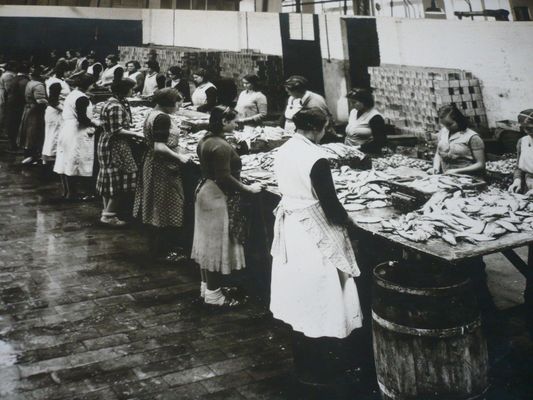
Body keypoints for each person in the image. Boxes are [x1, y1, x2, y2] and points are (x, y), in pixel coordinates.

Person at [270, 107, 362, 385]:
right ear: (316, 128)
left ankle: (305, 361)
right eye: (324, 129)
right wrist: (350, 221)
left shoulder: (284, 149)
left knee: (300, 291)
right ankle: (324, 366)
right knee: (323, 291)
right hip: (313, 233)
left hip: (293, 227)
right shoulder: (316, 157)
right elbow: (331, 205)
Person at [191, 106, 263, 306]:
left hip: (205, 190)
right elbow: (224, 177)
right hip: (216, 196)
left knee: (206, 243)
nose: (237, 124)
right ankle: (214, 296)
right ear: (224, 121)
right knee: (215, 245)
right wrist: (248, 188)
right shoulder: (220, 145)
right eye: (234, 121)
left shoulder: (206, 140)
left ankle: (207, 288)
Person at [134, 89, 192, 259]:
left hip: (153, 163)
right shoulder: (162, 118)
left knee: (157, 206)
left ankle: (159, 248)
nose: (179, 106)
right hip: (162, 166)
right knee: (167, 206)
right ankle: (165, 250)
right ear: (168, 102)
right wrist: (179, 157)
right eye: (177, 102)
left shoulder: (152, 114)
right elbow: (159, 146)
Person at [97, 74, 139, 226]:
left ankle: (108, 212)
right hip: (115, 144)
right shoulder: (116, 106)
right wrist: (137, 134)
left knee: (110, 178)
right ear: (124, 90)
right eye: (131, 89)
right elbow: (116, 130)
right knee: (119, 178)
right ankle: (109, 215)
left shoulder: (110, 102)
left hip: (108, 142)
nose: (133, 92)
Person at [54, 74, 99, 200]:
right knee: (74, 161)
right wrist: (96, 123)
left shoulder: (73, 94)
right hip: (76, 131)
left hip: (67, 128)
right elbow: (82, 119)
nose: (93, 87)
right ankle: (73, 193)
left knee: (65, 161)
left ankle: (67, 192)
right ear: (87, 85)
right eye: (92, 84)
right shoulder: (82, 98)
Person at [433, 104, 486, 176]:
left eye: (450, 124)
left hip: (468, 178)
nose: (447, 128)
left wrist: (457, 171)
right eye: (444, 125)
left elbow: (480, 164)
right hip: (447, 177)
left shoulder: (472, 137)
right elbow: (438, 153)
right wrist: (436, 168)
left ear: (458, 120)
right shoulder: (443, 132)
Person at [42, 60, 71, 166]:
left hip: (55, 111)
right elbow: (53, 101)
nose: (69, 73)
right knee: (54, 136)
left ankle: (48, 161)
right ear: (63, 71)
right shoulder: (56, 83)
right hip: (56, 112)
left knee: (52, 136)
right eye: (68, 71)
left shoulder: (54, 80)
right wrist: (65, 110)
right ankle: (50, 163)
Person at [18, 65, 48, 165]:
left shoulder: (30, 83)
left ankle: (27, 154)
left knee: (27, 131)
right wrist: (49, 104)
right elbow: (40, 100)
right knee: (34, 132)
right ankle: (33, 156)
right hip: (36, 111)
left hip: (28, 108)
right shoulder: (39, 85)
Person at [345, 88, 386, 154]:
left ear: (364, 101)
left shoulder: (375, 117)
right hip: (349, 151)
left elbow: (380, 141)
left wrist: (359, 147)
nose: (351, 105)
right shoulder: (353, 112)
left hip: (366, 152)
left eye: (354, 102)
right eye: (351, 102)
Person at [5, 62, 30, 152]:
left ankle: (12, 144)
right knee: (18, 124)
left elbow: (8, 90)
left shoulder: (13, 79)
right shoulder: (24, 80)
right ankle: (16, 145)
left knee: (12, 123)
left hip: (11, 104)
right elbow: (25, 94)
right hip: (19, 105)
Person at [509, 109, 533, 195]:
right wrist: (517, 180)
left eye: (530, 128)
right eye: (523, 128)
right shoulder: (522, 141)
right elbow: (519, 167)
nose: (526, 131)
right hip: (528, 185)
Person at [0, 60, 17, 138]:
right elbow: (8, 88)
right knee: (3, 113)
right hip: (4, 95)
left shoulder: (8, 74)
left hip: (4, 94)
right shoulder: (8, 75)